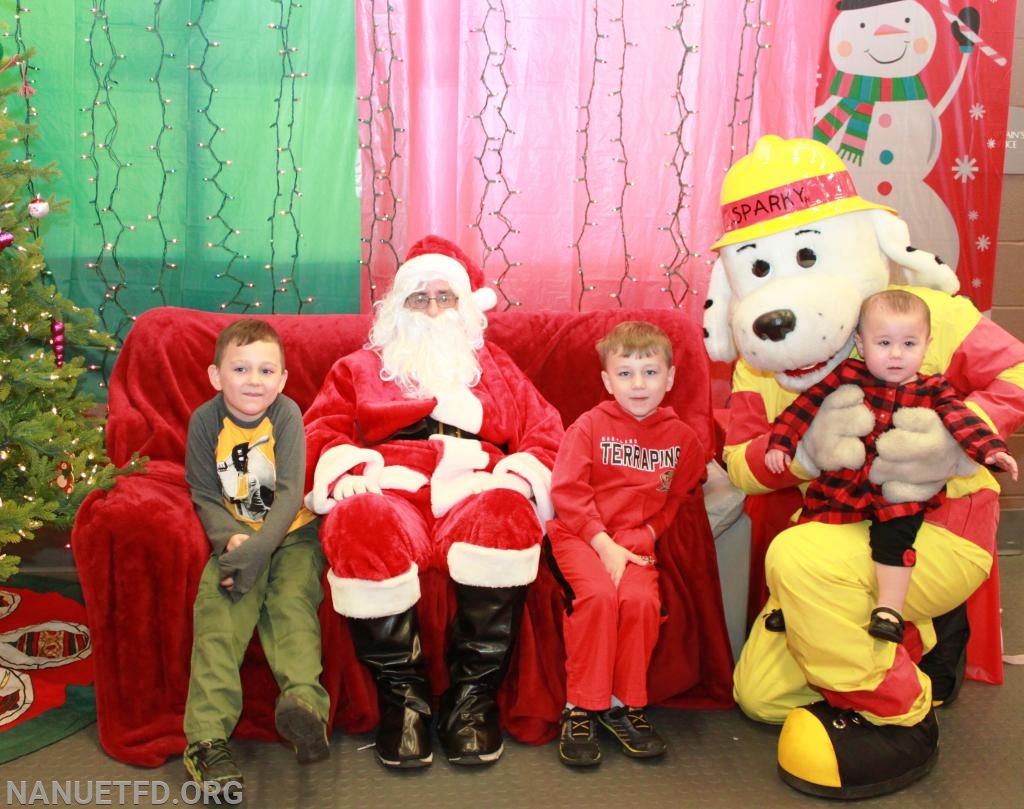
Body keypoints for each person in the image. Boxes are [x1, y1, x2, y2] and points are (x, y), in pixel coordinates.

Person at [702, 135, 1024, 798]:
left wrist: (956, 438)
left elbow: (1018, 370)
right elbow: (739, 460)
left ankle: (902, 710)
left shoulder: (926, 316)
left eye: (808, 252)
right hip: (840, 522)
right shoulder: (760, 360)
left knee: (794, 558)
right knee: (760, 694)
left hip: (939, 527)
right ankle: (915, 636)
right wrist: (808, 450)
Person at [303, 235, 563, 769]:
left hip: (475, 481)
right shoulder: (359, 366)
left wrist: (516, 474)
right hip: (393, 483)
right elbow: (321, 429)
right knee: (359, 522)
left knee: (507, 517)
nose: (432, 308)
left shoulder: (495, 367)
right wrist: (351, 470)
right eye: (419, 298)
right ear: (397, 307)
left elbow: (545, 431)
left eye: (445, 297)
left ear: (465, 306)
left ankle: (471, 702)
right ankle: (406, 702)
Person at [764, 290, 1018, 643]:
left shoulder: (934, 388)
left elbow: (963, 422)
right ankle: (788, 604)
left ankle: (890, 610)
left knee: (895, 540)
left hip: (898, 491)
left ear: (926, 345)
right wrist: (782, 442)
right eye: (884, 343)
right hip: (844, 484)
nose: (896, 354)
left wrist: (990, 450)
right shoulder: (847, 375)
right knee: (805, 533)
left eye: (909, 344)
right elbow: (802, 409)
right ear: (861, 343)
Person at [547, 321, 706, 767]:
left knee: (638, 602)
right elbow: (568, 493)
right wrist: (603, 545)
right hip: (582, 536)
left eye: (651, 373)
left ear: (670, 378)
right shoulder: (588, 426)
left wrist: (647, 535)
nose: (639, 384)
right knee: (598, 597)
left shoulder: (682, 440)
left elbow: (676, 499)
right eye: (626, 373)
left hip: (635, 543)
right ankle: (580, 706)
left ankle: (620, 704)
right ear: (607, 380)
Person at [182, 319, 330, 793]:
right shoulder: (205, 421)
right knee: (220, 614)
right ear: (215, 375)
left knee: (291, 605)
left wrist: (253, 558)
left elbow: (289, 497)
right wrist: (229, 542)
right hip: (237, 541)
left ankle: (305, 708)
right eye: (241, 368)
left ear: (283, 379)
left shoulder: (286, 415)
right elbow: (203, 492)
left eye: (267, 370)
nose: (254, 380)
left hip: (291, 536)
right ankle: (206, 741)